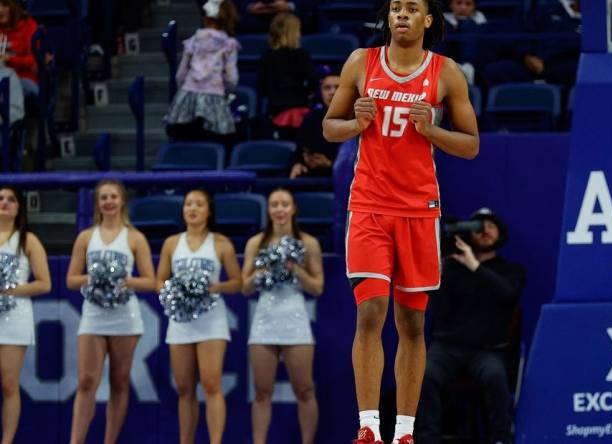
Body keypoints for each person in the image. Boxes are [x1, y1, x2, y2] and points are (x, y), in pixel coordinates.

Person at [322, 0, 480, 441]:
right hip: (369, 206)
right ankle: (369, 427)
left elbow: (470, 145)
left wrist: (432, 130)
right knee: (370, 311)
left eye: (412, 8)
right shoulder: (361, 61)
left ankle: (405, 431)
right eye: (395, 8)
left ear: (428, 20)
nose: (402, 15)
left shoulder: (445, 72)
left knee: (411, 322)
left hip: (417, 210)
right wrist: (354, 124)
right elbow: (328, 127)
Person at [416, 209, 525, 444]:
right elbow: (436, 306)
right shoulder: (452, 268)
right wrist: (440, 273)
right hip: (447, 346)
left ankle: (501, 438)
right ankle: (427, 438)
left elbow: (509, 295)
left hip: (488, 349)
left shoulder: (511, 270)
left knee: (496, 376)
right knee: (423, 374)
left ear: (501, 234)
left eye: (491, 227)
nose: (484, 231)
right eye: (478, 227)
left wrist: (475, 266)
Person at [66, 179, 156, 444]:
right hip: (93, 315)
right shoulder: (86, 237)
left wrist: (123, 281)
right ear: (98, 203)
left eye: (113, 197)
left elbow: (150, 281)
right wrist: (94, 278)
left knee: (119, 381)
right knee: (86, 381)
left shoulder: (135, 237)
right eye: (103, 197)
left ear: (122, 201)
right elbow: (71, 279)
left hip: (124, 316)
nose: (108, 202)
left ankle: (110, 440)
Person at [156, 189, 242, 444]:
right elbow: (159, 279)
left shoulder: (221, 243)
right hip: (180, 319)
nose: (192, 208)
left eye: (199, 204)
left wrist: (215, 288)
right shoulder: (172, 243)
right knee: (184, 388)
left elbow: (237, 282)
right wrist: (173, 292)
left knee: (211, 384)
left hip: (211, 318)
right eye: (188, 204)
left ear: (209, 210)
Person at [242, 188, 324, 444]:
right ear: (268, 209)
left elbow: (318, 287)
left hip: (295, 318)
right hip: (265, 318)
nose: (279, 209)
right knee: (262, 391)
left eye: (284, 204)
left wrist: (295, 269)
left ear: (293, 208)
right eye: (274, 204)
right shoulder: (256, 243)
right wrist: (264, 269)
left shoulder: (308, 243)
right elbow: (244, 287)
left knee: (305, 389)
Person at [0, 186, 50, 444]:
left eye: (11, 200)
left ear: (19, 207)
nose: (5, 203)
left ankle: (7, 441)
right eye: (0, 199)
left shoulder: (27, 240)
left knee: (9, 384)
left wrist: (9, 291)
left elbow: (44, 283)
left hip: (14, 317)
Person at [164, 0, 240, 147]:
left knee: (186, 143)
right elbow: (232, 79)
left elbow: (180, 75)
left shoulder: (192, 42)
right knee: (218, 141)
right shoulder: (228, 44)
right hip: (214, 100)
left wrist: (184, 92)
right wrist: (226, 91)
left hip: (187, 98)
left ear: (205, 19)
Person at [483, 0, 581, 87]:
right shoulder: (547, 8)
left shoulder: (593, 22)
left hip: (561, 68)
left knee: (578, 72)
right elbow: (522, 32)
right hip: (529, 63)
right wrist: (526, 55)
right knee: (494, 71)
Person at [256, 12, 319, 141]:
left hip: (275, 112)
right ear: (294, 33)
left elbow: (261, 87)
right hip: (300, 111)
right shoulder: (301, 55)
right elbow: (313, 81)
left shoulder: (267, 56)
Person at [289, 72, 341, 179]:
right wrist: (297, 164)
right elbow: (299, 150)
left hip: (346, 180)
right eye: (327, 88)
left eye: (338, 87)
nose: (332, 92)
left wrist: (331, 165)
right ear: (321, 92)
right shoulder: (311, 118)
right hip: (313, 175)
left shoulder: (358, 119)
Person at [0, 0, 39, 97]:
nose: (0, 10)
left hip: (23, 79)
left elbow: (35, 60)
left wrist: (10, 59)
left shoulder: (30, 26)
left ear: (17, 6)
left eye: (5, 5)